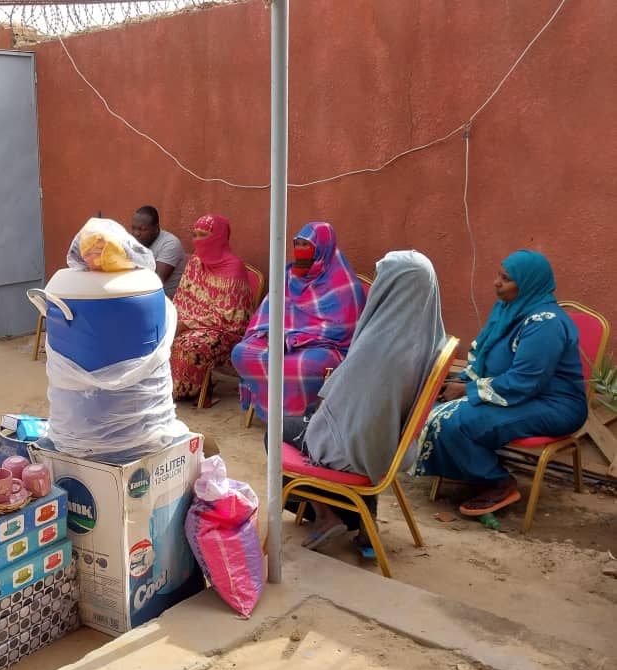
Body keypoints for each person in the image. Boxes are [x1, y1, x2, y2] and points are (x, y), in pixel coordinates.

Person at [282, 250, 446, 557]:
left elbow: (342, 410)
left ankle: (328, 514)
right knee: (312, 416)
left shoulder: (382, 348)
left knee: (278, 429)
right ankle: (362, 520)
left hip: (361, 447)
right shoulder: (429, 337)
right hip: (389, 444)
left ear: (393, 288)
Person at [413, 250, 587, 515]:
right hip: (516, 394)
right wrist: (457, 383)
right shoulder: (507, 309)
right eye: (499, 275)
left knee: (453, 420)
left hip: (553, 404)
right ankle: (470, 470)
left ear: (527, 283)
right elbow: (482, 356)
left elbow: (524, 382)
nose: (497, 282)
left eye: (506, 279)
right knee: (432, 406)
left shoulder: (545, 324)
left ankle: (499, 482)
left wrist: (469, 391)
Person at [232, 221, 366, 422]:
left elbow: (342, 329)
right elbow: (269, 310)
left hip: (324, 345)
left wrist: (296, 338)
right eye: (298, 245)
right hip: (282, 338)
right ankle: (272, 411)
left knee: (302, 366)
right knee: (241, 353)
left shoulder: (344, 284)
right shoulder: (288, 276)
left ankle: (293, 421)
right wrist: (271, 331)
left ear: (321, 248)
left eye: (306, 246)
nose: (300, 251)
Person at [170, 214, 254, 402]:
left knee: (188, 346)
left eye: (203, 235)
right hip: (191, 322)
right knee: (160, 332)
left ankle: (186, 391)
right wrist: (176, 321)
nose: (197, 241)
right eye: (195, 235)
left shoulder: (234, 267)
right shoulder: (195, 262)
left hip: (224, 330)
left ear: (219, 236)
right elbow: (183, 299)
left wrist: (187, 324)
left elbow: (233, 318)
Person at [130, 206, 187, 298]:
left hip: (167, 302)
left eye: (142, 229)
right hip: (141, 296)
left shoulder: (170, 243)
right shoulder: (134, 241)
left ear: (156, 228)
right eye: (133, 228)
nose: (136, 233)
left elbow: (156, 281)